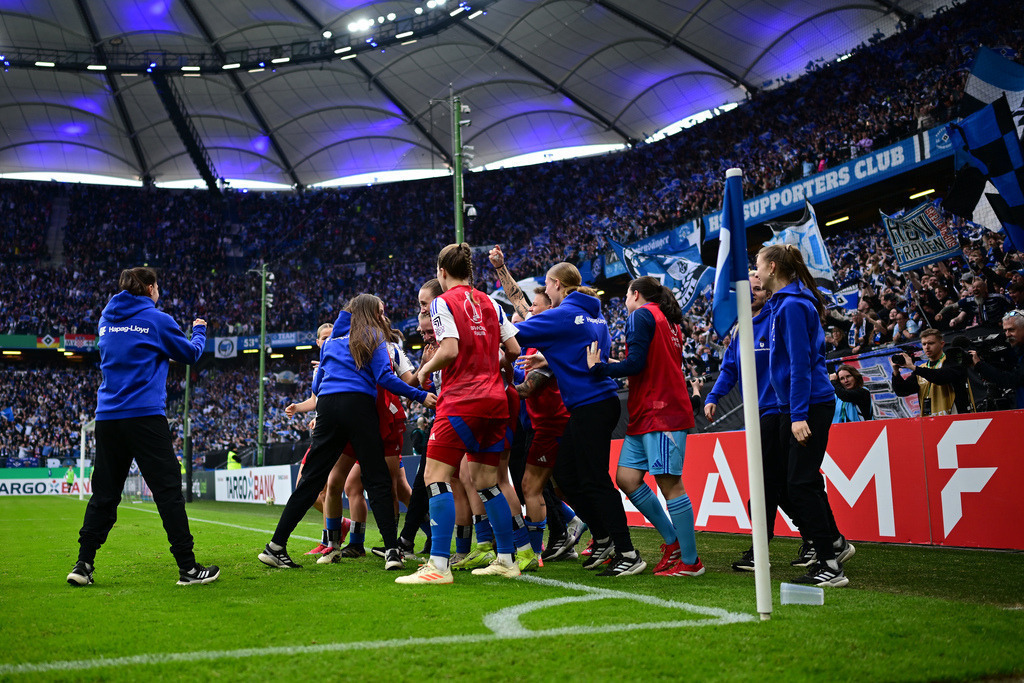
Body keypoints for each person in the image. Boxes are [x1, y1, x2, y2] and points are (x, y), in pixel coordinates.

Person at [258, 294, 436, 571]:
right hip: (358, 405)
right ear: (371, 313)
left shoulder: (330, 342)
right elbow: (384, 378)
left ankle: (276, 546)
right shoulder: (374, 337)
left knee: (311, 480)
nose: (383, 315)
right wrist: (419, 395)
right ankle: (392, 551)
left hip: (328, 407)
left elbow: (317, 384)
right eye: (380, 311)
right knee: (377, 479)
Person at [68, 267, 219, 587]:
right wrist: (199, 330)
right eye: (158, 286)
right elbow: (190, 354)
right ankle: (188, 568)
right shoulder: (157, 320)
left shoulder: (106, 320)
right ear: (150, 288)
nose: (159, 291)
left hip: (107, 418)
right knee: (167, 492)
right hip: (145, 417)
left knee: (104, 495)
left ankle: (83, 564)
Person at [511, 259, 646, 577]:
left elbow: (513, 335)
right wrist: (549, 358)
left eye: (547, 284)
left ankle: (627, 551)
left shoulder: (562, 314)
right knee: (567, 474)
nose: (546, 291)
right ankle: (604, 538)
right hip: (596, 403)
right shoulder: (595, 315)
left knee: (595, 480)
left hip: (591, 405)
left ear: (557, 284)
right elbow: (581, 351)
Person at [397, 243, 520, 585]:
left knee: (435, 477)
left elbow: (449, 349)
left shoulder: (442, 302)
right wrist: (489, 365)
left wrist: (424, 370)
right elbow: (513, 349)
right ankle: (507, 559)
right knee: (487, 483)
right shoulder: (491, 303)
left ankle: (438, 565)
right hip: (495, 401)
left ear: (442, 272)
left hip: (462, 400)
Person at [586, 276, 703, 578]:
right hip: (648, 411)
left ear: (635, 294)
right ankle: (673, 543)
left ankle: (691, 561)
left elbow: (635, 364)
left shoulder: (641, 315)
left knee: (670, 484)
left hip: (660, 412)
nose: (625, 301)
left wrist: (601, 369)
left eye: (626, 295)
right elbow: (647, 363)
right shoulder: (668, 321)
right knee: (626, 478)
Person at [756, 245, 853, 588]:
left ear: (772, 267)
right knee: (796, 481)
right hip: (793, 406)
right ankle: (834, 545)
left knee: (799, 483)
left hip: (807, 406)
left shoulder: (793, 306)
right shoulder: (783, 304)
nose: (755, 273)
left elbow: (800, 364)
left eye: (758, 266)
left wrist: (798, 415)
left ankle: (829, 564)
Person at [705, 272, 798, 572]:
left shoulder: (777, 318)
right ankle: (819, 537)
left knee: (766, 485)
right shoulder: (740, 328)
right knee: (777, 485)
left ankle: (763, 548)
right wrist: (713, 396)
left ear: (767, 292)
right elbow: (729, 369)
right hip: (755, 416)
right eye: (748, 289)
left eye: (757, 288)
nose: (752, 293)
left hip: (778, 411)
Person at [890, 329, 975, 416]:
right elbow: (902, 391)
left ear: (942, 344)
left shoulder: (953, 361)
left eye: (931, 343)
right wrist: (896, 372)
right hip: (930, 420)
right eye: (924, 344)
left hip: (954, 418)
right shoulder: (922, 368)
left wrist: (913, 367)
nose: (927, 347)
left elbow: (941, 378)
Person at [969, 310, 1024, 410]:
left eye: (1011, 330)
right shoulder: (1016, 349)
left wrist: (981, 366)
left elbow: (1012, 380)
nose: (1007, 334)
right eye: (1005, 330)